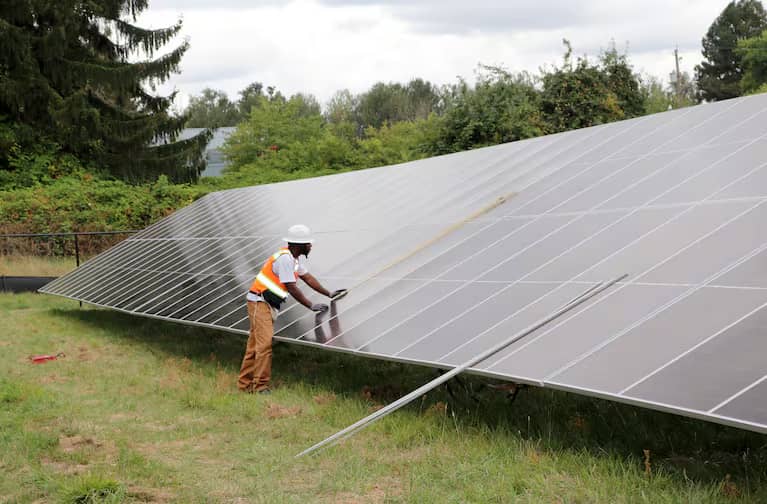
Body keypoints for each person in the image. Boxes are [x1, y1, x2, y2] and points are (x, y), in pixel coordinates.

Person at [238, 224, 346, 394]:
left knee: (254, 346)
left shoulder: (294, 260)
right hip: (260, 303)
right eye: (308, 243)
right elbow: (292, 287)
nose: (311, 246)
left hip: (266, 304)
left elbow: (308, 278)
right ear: (298, 245)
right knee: (264, 345)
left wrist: (329, 293)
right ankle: (260, 387)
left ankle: (244, 385)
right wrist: (310, 305)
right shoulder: (285, 260)